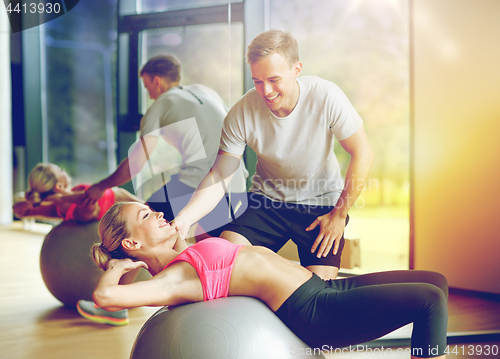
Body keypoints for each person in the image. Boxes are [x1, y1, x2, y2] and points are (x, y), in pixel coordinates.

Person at [83, 202, 448, 358]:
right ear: (132, 242)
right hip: (315, 310)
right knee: (429, 300)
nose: (159, 213)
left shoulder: (183, 252)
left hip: (321, 287)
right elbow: (106, 298)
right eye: (146, 214)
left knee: (436, 280)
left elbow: (190, 219)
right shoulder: (176, 278)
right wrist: (117, 267)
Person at [172, 30, 375, 280]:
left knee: (319, 294)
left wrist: (339, 215)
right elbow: (219, 175)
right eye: (257, 81)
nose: (265, 91)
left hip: (320, 204)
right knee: (224, 261)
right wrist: (184, 218)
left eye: (274, 79)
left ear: (297, 69)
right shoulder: (242, 112)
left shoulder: (326, 96)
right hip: (266, 202)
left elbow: (363, 153)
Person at [83, 54, 247, 238]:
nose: (150, 95)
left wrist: (100, 186)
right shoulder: (207, 92)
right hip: (237, 184)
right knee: (209, 246)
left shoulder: (160, 105)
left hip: (200, 181)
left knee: (145, 222)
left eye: (147, 87)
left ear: (157, 81)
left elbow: (136, 163)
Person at [13, 163, 140, 223]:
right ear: (59, 186)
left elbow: (18, 208)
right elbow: (86, 198)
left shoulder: (57, 206)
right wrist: (60, 198)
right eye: (60, 170)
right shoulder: (82, 207)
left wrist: (40, 199)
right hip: (134, 211)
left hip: (133, 203)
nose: (64, 170)